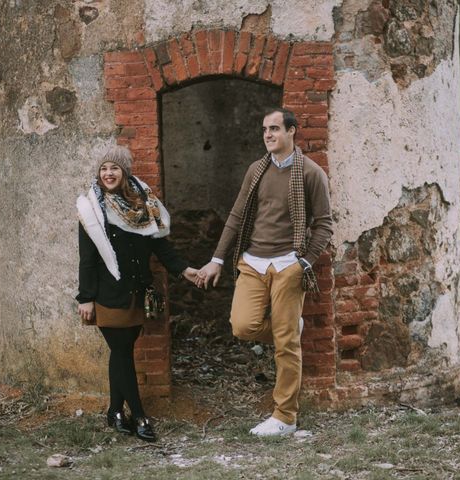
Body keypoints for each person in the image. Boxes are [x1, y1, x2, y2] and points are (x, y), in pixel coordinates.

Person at [197, 108, 333, 436]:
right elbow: (236, 215)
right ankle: (288, 327)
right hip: (252, 261)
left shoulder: (311, 173)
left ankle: (285, 417)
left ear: (291, 132)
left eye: (274, 129)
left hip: (289, 264)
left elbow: (324, 224)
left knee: (286, 346)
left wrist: (304, 262)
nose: (268, 135)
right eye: (264, 130)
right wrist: (217, 258)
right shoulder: (256, 170)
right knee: (243, 325)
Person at [76, 145, 198, 442]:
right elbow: (88, 258)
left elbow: (160, 246)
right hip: (108, 294)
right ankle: (140, 414)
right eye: (104, 168)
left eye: (114, 168)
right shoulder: (92, 209)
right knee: (121, 351)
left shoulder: (144, 204)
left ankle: (115, 410)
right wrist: (85, 297)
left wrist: (184, 270)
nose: (108, 173)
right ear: (99, 172)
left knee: (122, 353)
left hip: (136, 292)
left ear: (125, 171)